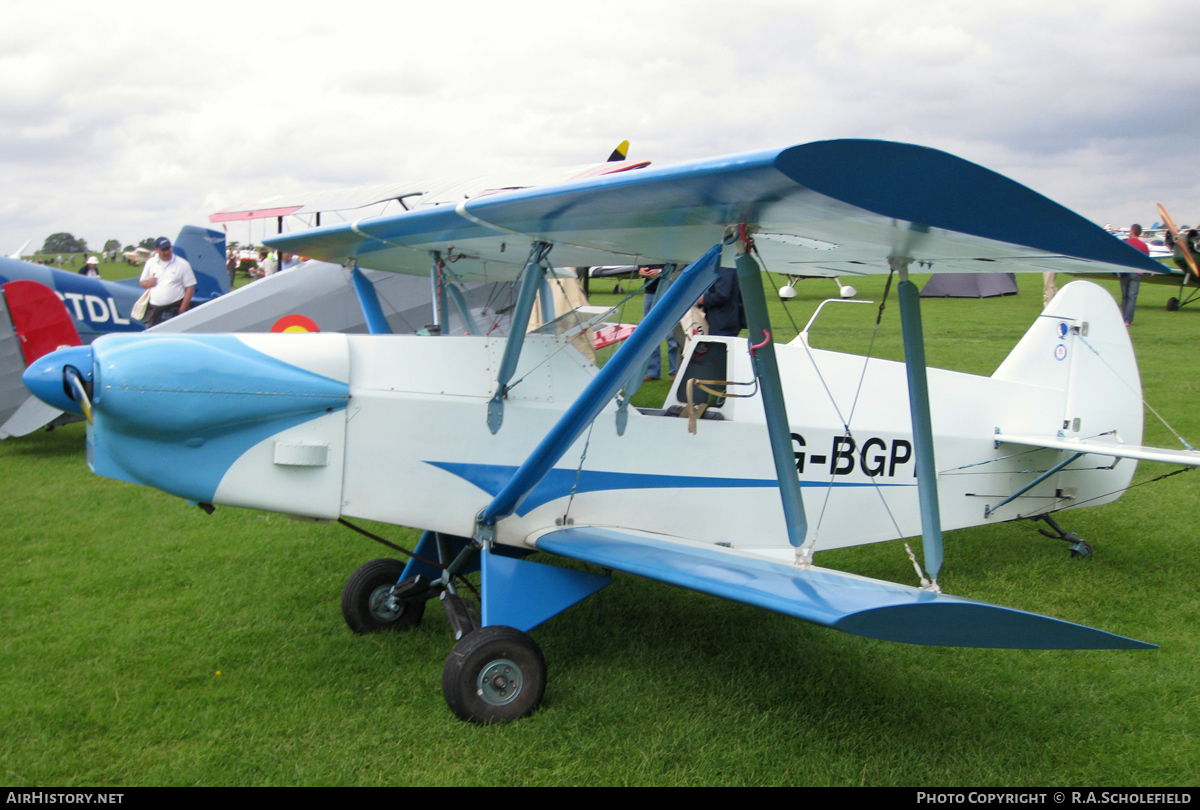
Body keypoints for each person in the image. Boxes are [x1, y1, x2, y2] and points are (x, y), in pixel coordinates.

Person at [139, 236, 196, 327]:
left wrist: (182, 310)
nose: (166, 252)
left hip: (174, 308)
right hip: (155, 310)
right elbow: (142, 281)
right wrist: (149, 283)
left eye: (168, 249)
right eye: (163, 250)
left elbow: (190, 287)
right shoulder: (150, 263)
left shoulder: (183, 264)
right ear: (156, 250)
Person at [639, 266, 680, 382]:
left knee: (672, 333)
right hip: (650, 290)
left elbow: (680, 264)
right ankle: (652, 371)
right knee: (649, 332)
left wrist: (661, 272)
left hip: (671, 289)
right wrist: (640, 270)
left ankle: (675, 371)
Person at [698, 265, 746, 337]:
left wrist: (703, 299)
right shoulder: (726, 264)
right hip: (726, 320)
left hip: (723, 321)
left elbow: (722, 294)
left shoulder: (725, 265)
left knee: (717, 346)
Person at [1121, 224, 1149, 326]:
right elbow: (1146, 260)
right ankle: (1128, 320)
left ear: (1132, 231)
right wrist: (1150, 271)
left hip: (1124, 271)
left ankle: (1123, 318)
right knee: (1132, 297)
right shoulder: (1143, 245)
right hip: (1136, 273)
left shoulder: (1125, 243)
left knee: (1124, 296)